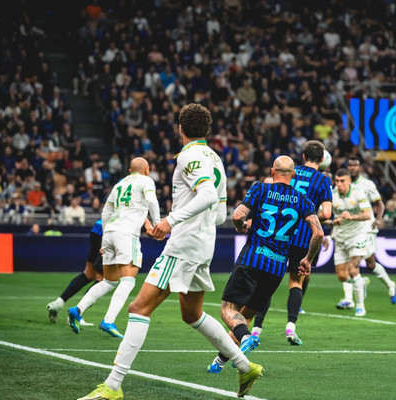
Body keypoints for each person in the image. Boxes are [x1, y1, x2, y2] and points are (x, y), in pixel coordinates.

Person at [78, 103, 263, 400]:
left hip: (183, 246)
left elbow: (206, 194)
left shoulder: (189, 155)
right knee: (192, 314)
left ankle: (112, 386)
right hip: (204, 244)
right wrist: (185, 221)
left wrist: (170, 221)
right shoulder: (215, 158)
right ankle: (245, 366)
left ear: (180, 128)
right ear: (207, 129)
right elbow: (219, 213)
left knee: (138, 308)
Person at [207, 156, 323, 373]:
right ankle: (219, 362)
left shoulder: (260, 189)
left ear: (272, 172)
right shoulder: (302, 199)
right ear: (293, 175)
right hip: (276, 268)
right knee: (245, 316)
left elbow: (237, 216)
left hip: (252, 260)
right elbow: (318, 233)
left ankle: (245, 338)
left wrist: (241, 226)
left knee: (229, 310)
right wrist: (307, 259)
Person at [250, 140, 333, 346]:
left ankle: (256, 330)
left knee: (267, 281)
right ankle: (290, 328)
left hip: (280, 234)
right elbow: (327, 213)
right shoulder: (323, 180)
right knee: (296, 282)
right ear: (322, 159)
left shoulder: (292, 172)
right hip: (303, 238)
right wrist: (311, 217)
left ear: (303, 156)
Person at [68, 157, 161, 338]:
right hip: (127, 233)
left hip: (110, 232)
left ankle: (77, 310)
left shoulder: (119, 185)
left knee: (109, 281)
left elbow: (105, 212)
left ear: (129, 170)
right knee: (128, 280)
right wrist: (157, 224)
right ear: (147, 170)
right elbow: (152, 201)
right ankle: (108, 320)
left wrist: (104, 240)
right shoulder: (146, 180)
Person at [343, 157, 396, 306]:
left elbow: (380, 204)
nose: (353, 168)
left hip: (367, 228)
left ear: (360, 168)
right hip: (350, 228)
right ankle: (349, 299)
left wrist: (378, 219)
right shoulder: (343, 184)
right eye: (350, 165)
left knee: (370, 264)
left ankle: (390, 284)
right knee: (349, 262)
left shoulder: (367, 184)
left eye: (355, 165)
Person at [331, 168, 372, 316]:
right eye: (337, 181)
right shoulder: (332, 194)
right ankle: (361, 282)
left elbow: (367, 215)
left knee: (353, 269)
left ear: (349, 180)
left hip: (357, 236)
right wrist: (333, 221)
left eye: (342, 181)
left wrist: (351, 217)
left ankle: (360, 306)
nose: (339, 184)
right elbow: (324, 214)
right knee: (342, 276)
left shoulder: (358, 193)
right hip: (340, 237)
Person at [46, 220, 104, 323]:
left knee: (89, 274)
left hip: (97, 227)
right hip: (109, 229)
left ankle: (58, 303)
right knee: (103, 279)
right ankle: (77, 313)